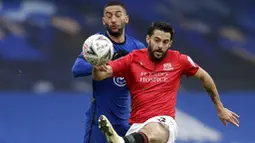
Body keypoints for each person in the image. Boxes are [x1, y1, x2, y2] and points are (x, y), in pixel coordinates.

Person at [92, 21, 240, 143]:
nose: (160, 46)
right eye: (157, 40)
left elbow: (204, 77)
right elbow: (100, 75)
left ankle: (123, 142)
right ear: (148, 39)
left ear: (170, 43)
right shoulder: (132, 59)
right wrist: (96, 63)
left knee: (156, 129)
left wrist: (219, 108)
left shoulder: (179, 60)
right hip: (136, 127)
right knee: (144, 134)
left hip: (164, 121)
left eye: (165, 42)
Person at [72, 1, 145, 143]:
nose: (113, 20)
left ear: (126, 19)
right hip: (99, 120)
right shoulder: (96, 43)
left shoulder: (137, 47)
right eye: (109, 16)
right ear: (103, 20)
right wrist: (99, 64)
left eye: (118, 15)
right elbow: (77, 69)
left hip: (127, 121)